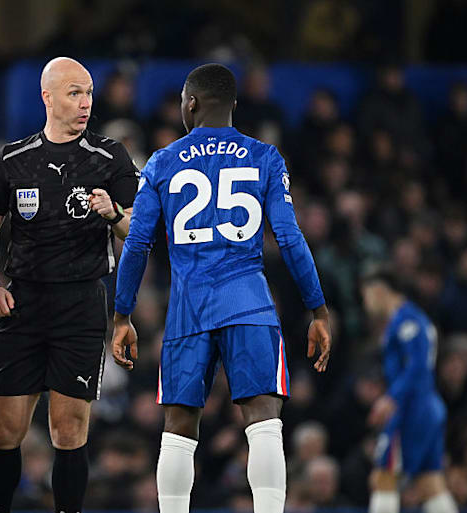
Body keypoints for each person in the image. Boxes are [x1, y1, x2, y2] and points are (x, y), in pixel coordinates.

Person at [110, 63, 332, 513]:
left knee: (177, 426)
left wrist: (122, 314)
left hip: (188, 307)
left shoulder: (162, 161)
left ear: (190, 103)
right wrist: (318, 310)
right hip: (249, 302)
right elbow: (290, 239)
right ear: (233, 104)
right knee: (264, 421)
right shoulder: (266, 157)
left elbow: (136, 245)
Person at [0, 57, 140, 513]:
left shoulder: (111, 157)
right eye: (74, 93)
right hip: (23, 304)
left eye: (88, 92)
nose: (85, 102)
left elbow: (142, 231)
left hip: (81, 304)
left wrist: (113, 215)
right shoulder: (12, 160)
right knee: (4, 429)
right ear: (47, 97)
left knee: (69, 431)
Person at [360, 270, 457, 513]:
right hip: (428, 406)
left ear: (379, 290)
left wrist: (391, 399)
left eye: (366, 296)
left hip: (413, 408)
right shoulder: (412, 319)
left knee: (384, 476)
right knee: (430, 482)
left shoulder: (408, 320)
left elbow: (418, 366)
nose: (366, 303)